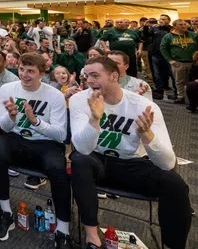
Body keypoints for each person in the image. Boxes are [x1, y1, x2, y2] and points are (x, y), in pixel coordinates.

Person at [70, 56, 191, 249]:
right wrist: (94, 119)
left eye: (95, 75)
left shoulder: (143, 106)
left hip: (132, 164)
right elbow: (83, 148)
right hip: (97, 162)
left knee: (175, 184)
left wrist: (147, 135)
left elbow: (168, 163)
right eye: (86, 76)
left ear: (114, 76)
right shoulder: (79, 100)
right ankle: (91, 235)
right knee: (79, 160)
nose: (89, 81)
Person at [0, 53, 72, 248]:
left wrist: (35, 121)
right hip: (16, 138)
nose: (24, 75)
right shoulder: (8, 89)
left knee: (58, 168)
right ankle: (5, 212)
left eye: (31, 71)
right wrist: (10, 117)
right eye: (21, 69)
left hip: (46, 143)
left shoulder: (54, 95)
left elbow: (61, 135)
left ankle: (63, 229)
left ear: (42, 74)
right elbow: (6, 128)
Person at [160, 18, 198, 104]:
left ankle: (194, 98)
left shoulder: (193, 35)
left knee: (194, 80)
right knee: (179, 81)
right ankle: (181, 97)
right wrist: (170, 60)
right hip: (178, 62)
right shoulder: (168, 36)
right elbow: (163, 49)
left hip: (194, 62)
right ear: (175, 26)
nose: (184, 26)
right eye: (181, 25)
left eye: (185, 24)